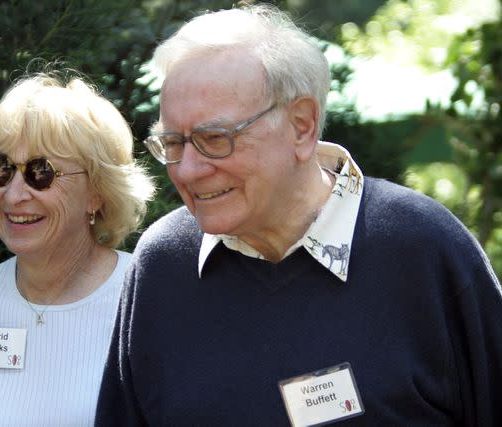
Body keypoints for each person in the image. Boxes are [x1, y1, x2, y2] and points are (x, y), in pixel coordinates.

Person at [94, 4, 502, 426]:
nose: (188, 169)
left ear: (302, 126)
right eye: (173, 144)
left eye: (215, 139)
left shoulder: (423, 249)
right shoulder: (163, 266)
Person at [0, 71, 154, 426]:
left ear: (97, 192)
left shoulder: (147, 300)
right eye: (0, 169)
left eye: (41, 172)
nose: (14, 194)